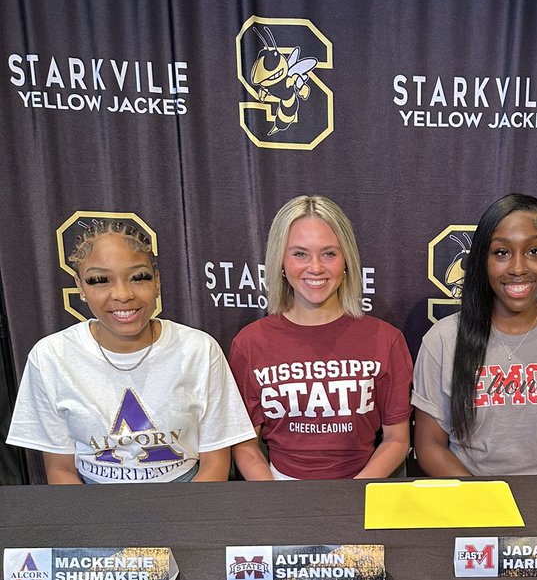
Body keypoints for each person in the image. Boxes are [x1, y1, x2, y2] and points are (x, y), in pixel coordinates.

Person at [6, 220, 258, 484]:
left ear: (157, 282)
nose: (123, 294)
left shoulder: (200, 350)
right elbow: (60, 470)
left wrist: (184, 519)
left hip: (188, 495)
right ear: (80, 286)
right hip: (90, 501)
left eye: (139, 277)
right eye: (99, 280)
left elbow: (216, 462)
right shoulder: (50, 357)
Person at [412, 193, 537, 476]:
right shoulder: (442, 340)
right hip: (470, 504)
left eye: (534, 251)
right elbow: (428, 446)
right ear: (482, 260)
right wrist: (486, 502)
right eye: (501, 252)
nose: (518, 268)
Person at [229, 196, 412, 479]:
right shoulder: (250, 343)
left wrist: (355, 493)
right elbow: (245, 444)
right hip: (278, 489)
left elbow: (397, 439)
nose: (315, 267)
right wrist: (273, 499)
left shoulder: (386, 340)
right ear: (280, 261)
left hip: (362, 487)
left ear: (347, 260)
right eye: (300, 254)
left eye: (329, 253)